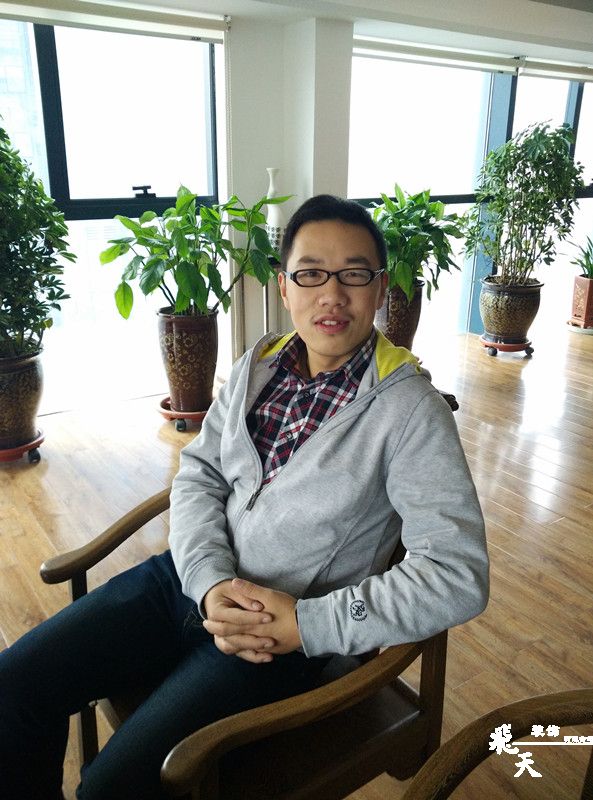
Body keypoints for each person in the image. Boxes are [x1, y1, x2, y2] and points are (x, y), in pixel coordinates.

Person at [0, 195, 489, 799]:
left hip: (274, 637)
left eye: (354, 274)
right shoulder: (261, 363)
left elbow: (457, 574)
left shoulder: (411, 411)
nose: (332, 295)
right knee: (15, 686)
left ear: (381, 287)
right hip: (184, 580)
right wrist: (207, 578)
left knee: (111, 789)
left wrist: (307, 624)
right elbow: (201, 473)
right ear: (284, 286)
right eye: (311, 274)